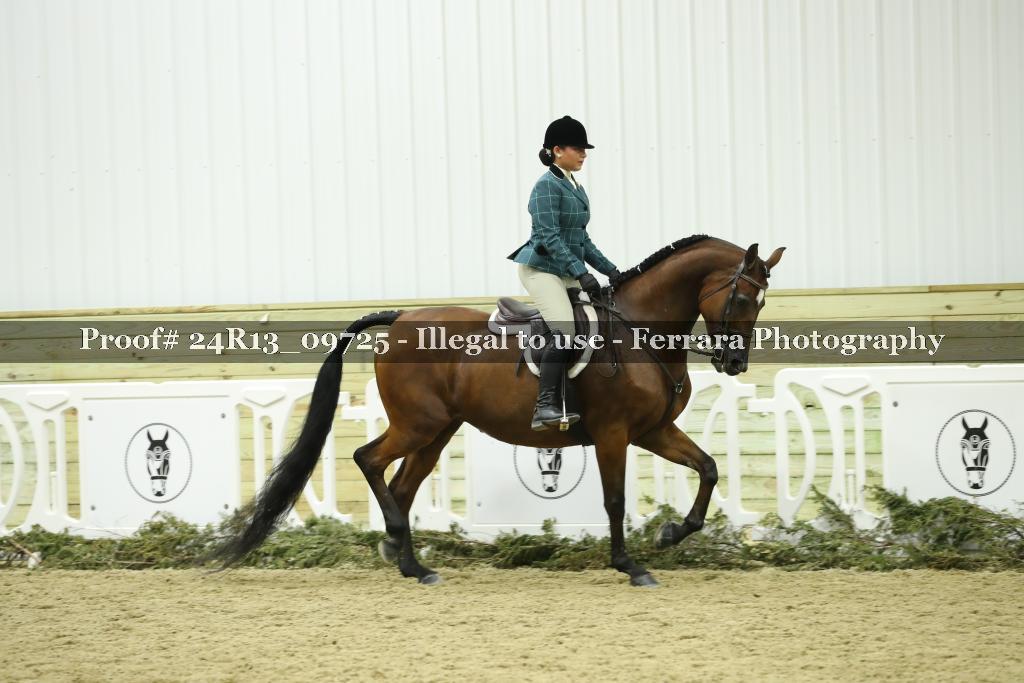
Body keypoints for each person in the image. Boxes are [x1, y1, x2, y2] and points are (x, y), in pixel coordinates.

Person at [507, 115, 621, 431]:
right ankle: (544, 406)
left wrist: (612, 271)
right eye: (578, 148)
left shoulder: (576, 187)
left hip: (565, 269)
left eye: (585, 149)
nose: (584, 154)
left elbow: (582, 240)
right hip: (542, 270)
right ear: (557, 150)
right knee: (565, 332)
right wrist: (580, 273)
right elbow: (549, 236)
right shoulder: (546, 186)